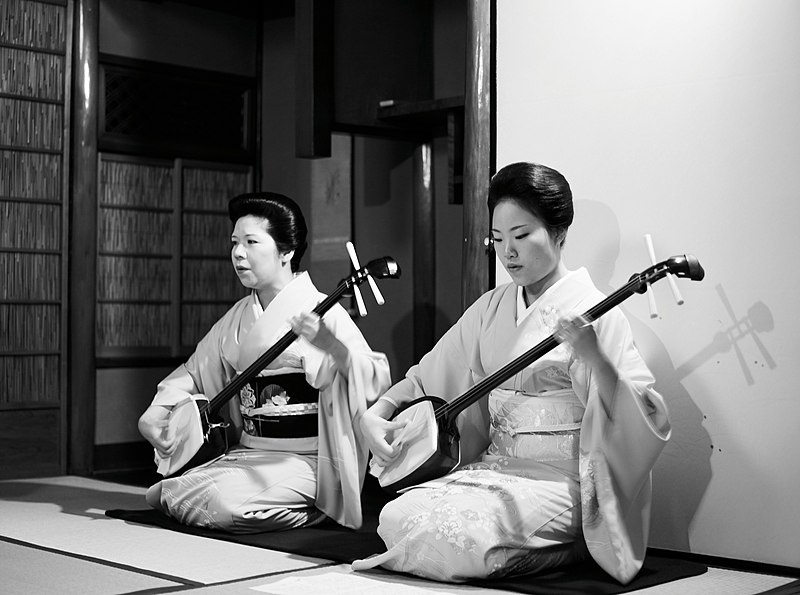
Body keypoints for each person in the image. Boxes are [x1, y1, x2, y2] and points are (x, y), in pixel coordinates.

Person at [352, 162, 670, 584]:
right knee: (397, 515)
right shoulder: (491, 308)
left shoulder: (598, 312)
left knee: (463, 534)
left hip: (560, 480)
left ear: (559, 232)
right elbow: (430, 373)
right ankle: (526, 553)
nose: (508, 253)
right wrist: (380, 410)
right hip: (495, 468)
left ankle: (569, 547)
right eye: (498, 239)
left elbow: (643, 414)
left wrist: (595, 359)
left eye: (521, 236)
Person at [138, 191, 392, 533]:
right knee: (165, 493)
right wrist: (157, 409)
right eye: (234, 242)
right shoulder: (238, 318)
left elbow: (374, 379)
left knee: (221, 504)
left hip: (306, 459)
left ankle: (314, 511)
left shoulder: (322, 311)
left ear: (286, 251)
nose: (238, 253)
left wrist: (331, 346)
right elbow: (195, 372)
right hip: (250, 453)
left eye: (251, 242)